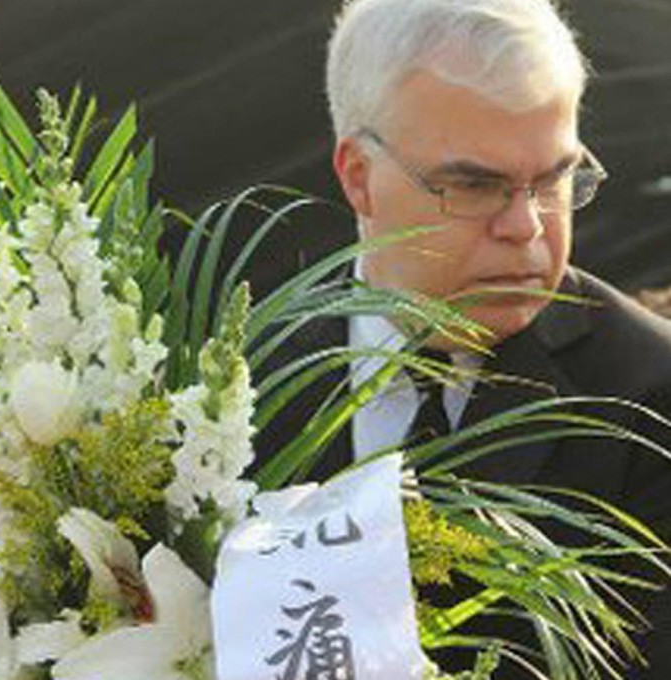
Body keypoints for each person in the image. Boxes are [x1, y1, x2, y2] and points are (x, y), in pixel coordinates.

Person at [256, 0, 671, 677]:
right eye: (476, 186)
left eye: (555, 180)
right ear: (358, 176)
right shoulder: (229, 384)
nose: (527, 228)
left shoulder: (651, 409)